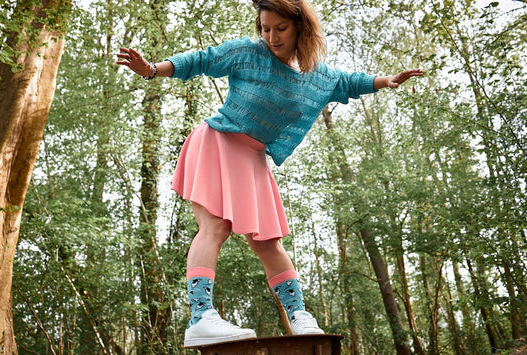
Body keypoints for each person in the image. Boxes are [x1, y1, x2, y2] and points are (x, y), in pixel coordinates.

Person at [117, 0, 423, 348]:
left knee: (269, 242)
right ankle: (201, 317)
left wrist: (386, 81)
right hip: (219, 142)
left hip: (253, 158)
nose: (272, 37)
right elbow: (202, 60)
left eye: (281, 29)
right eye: (265, 28)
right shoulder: (248, 53)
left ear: (300, 28)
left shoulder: (317, 76)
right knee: (215, 227)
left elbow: (348, 82)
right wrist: (152, 69)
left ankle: (299, 316)